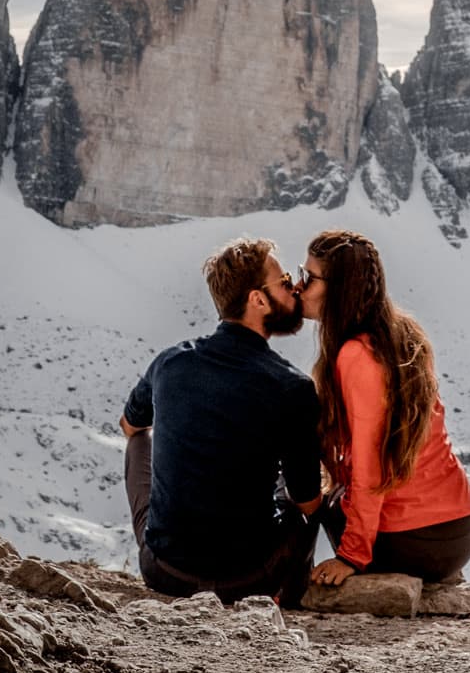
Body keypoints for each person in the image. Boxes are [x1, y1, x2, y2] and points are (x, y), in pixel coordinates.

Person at [120, 237, 322, 605]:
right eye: (284, 281)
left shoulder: (170, 362)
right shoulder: (292, 387)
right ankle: (289, 596)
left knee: (139, 444)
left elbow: (131, 427)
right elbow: (307, 502)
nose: (294, 287)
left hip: (165, 572)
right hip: (248, 580)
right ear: (257, 300)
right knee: (300, 503)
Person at [299, 228, 470, 588]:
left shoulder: (357, 355)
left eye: (309, 278)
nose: (300, 286)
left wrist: (352, 555)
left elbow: (370, 463)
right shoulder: (405, 333)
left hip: (410, 541)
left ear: (340, 290)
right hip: (461, 530)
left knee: (302, 495)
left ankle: (281, 585)